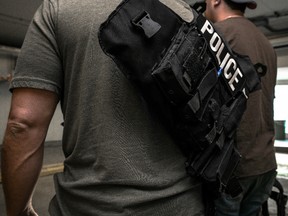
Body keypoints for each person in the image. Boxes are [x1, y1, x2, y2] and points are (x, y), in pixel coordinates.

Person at [1, 0, 205, 215]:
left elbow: (23, 124)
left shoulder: (60, 8)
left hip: (87, 207)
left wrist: (19, 210)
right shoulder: (186, 13)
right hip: (182, 205)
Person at [204, 0, 278, 215]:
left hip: (231, 168)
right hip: (264, 164)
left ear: (215, 0)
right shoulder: (265, 43)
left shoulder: (214, 35)